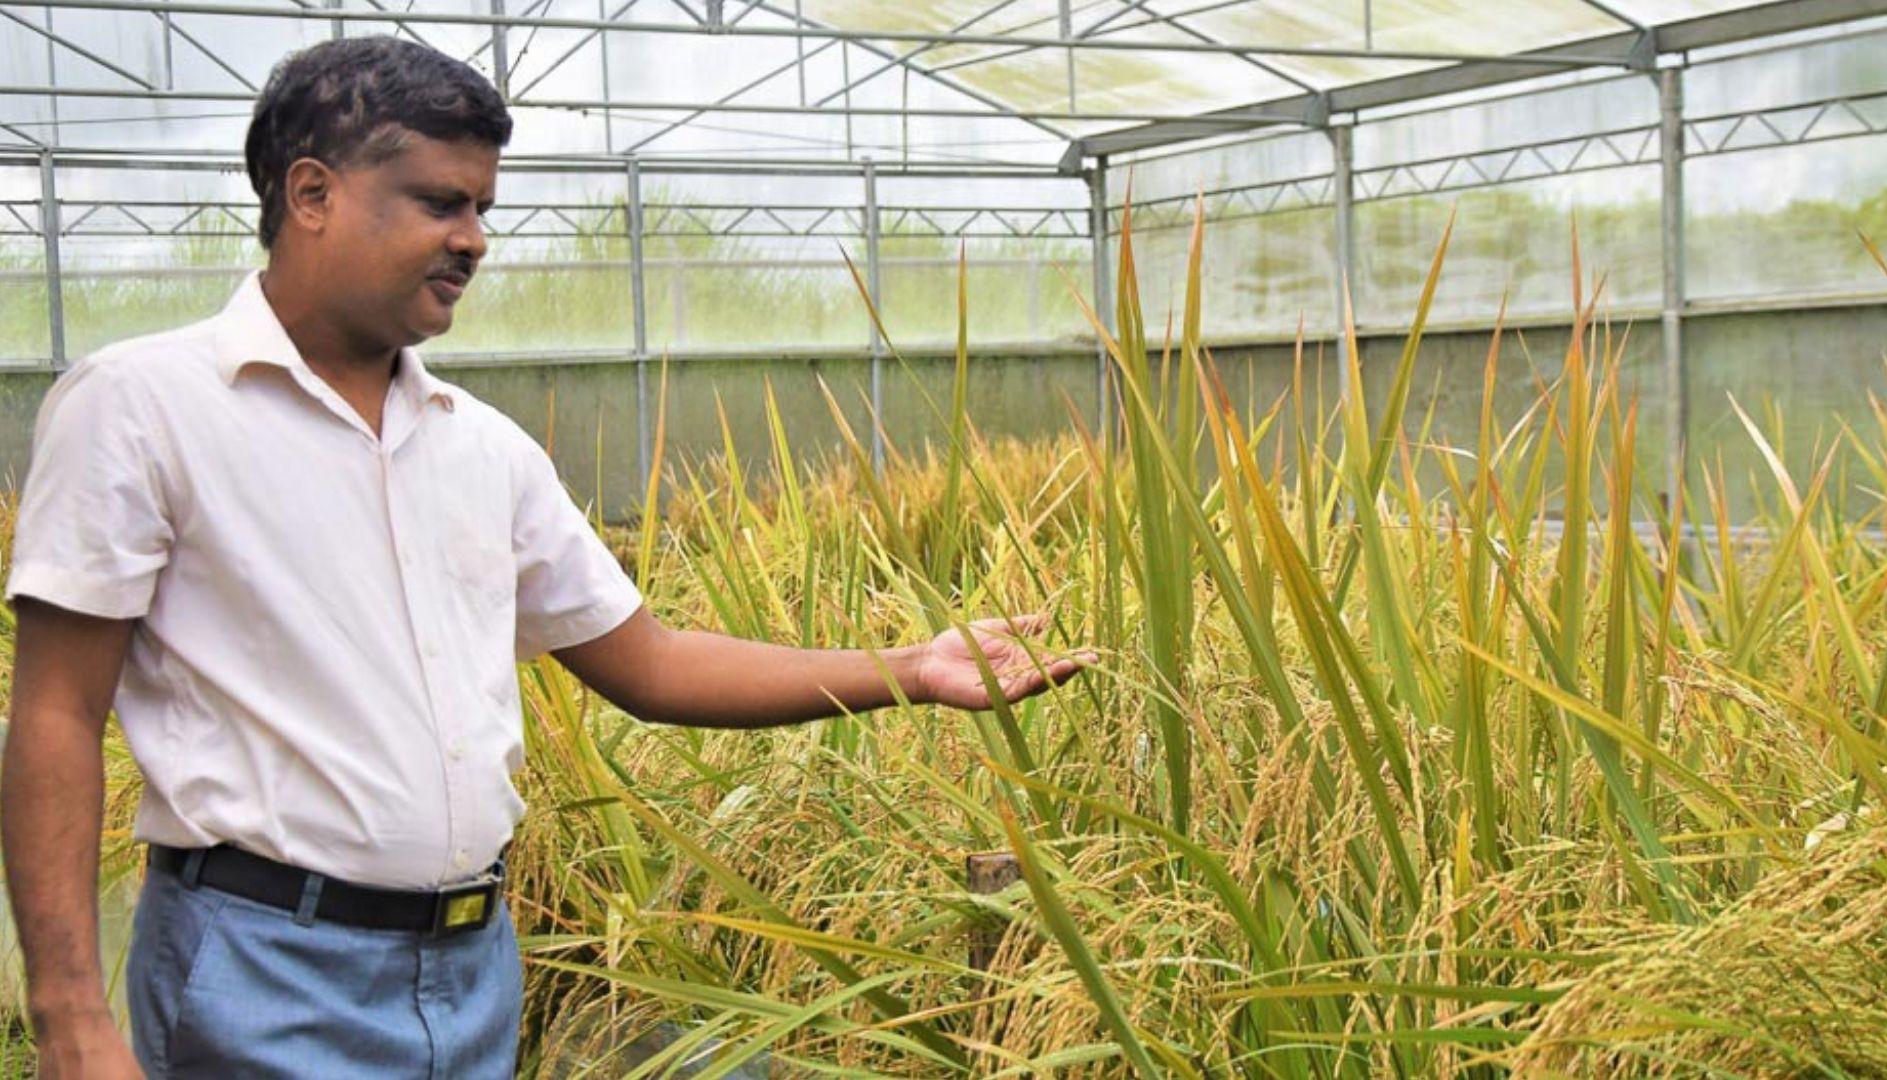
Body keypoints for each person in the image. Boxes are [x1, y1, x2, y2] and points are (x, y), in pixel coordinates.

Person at [2, 35, 1091, 1078]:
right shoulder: (144, 406)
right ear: (312, 195)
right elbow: (55, 713)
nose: (473, 237)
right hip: (257, 969)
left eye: (483, 208)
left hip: (473, 971)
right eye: (440, 201)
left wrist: (910, 667)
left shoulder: (481, 446)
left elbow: (650, 664)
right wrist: (69, 1019)